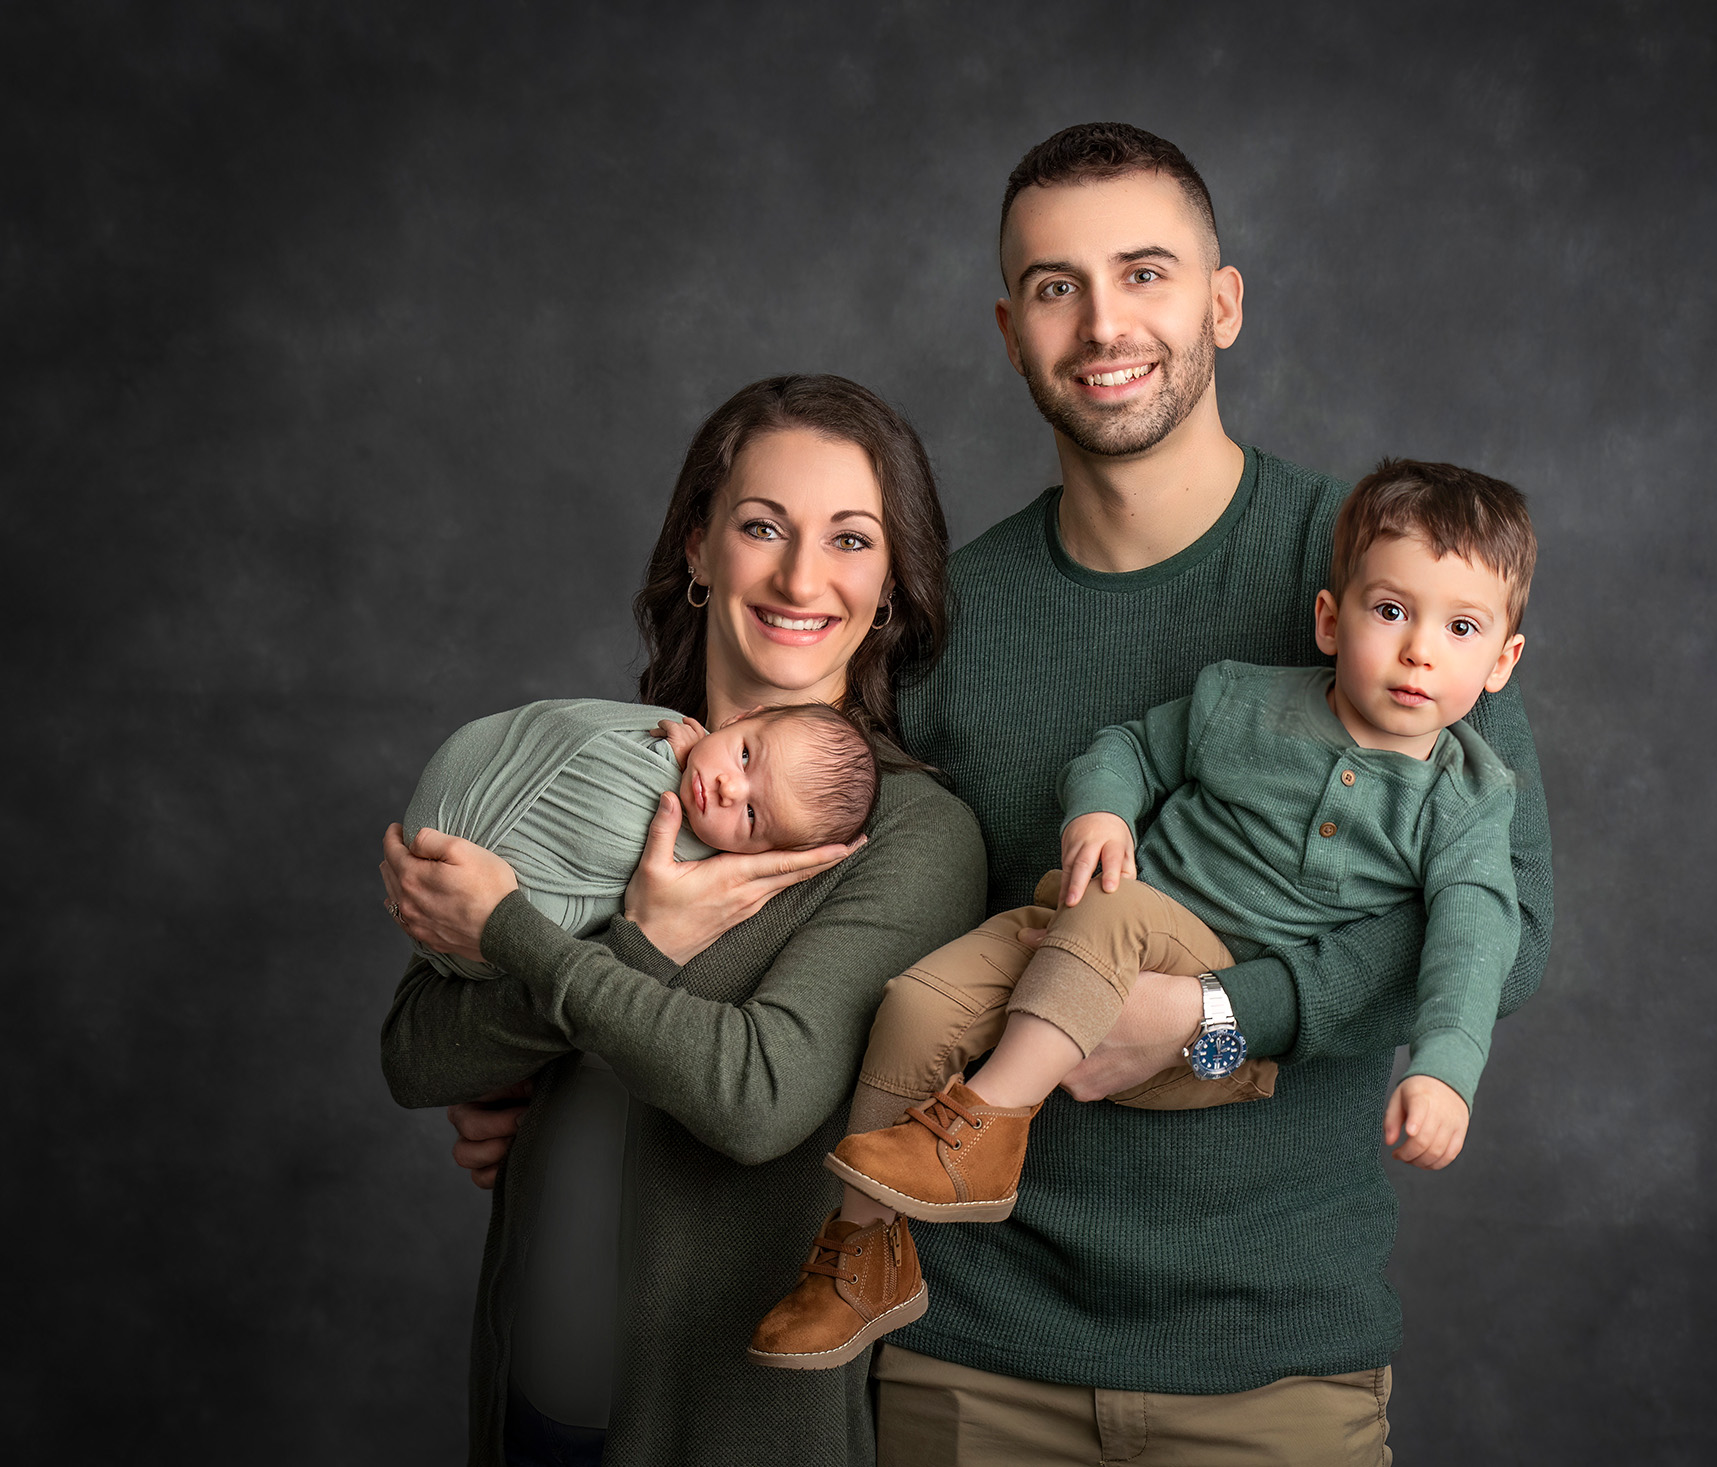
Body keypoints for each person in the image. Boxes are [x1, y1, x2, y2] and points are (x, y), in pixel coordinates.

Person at [443, 123, 1556, 1465]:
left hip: (1269, 1354)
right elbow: (805, 905)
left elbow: (1504, 927)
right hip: (971, 1357)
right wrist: (580, 1079)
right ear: (1009, 327)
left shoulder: (1393, 579)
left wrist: (1208, 1021)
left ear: (1224, 301)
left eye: (1145, 272)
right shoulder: (947, 626)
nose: (1103, 323)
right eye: (1053, 286)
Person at [747, 458, 1536, 1372]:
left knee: (1111, 912)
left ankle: (989, 1124)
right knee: (916, 1005)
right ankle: (861, 1256)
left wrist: (1445, 1070)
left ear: (1502, 661)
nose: (1418, 651)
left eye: (1462, 627)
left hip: (1203, 971)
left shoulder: (1468, 800)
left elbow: (1478, 938)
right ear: (1331, 618)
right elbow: (1128, 747)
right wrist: (1101, 810)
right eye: (1391, 611)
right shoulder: (1244, 698)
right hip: (1089, 915)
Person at [377, 374, 986, 1467]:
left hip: (726, 1426)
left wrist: (572, 944)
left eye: (850, 539)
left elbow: (759, 1102)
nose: (802, 576)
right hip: (530, 1399)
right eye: (762, 527)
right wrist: (605, 961)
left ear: (890, 584)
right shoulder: (594, 769)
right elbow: (417, 1055)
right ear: (698, 551)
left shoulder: (908, 835)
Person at [396, 698, 880, 982]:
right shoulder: (660, 727)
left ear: (763, 855)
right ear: (738, 719)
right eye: (746, 755)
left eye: (752, 815)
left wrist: (506, 931)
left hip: (477, 909)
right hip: (455, 820)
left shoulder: (710, 873)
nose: (728, 787)